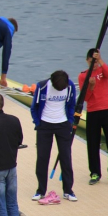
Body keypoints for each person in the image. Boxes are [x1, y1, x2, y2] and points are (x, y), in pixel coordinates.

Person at [30, 70, 77, 202]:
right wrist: (38, 123)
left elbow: (72, 104)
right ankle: (41, 190)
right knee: (42, 158)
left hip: (63, 125)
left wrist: (69, 122)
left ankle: (68, 191)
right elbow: (34, 107)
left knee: (66, 158)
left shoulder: (70, 86)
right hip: (44, 125)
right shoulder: (42, 86)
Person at [78, 49, 108, 186]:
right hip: (93, 112)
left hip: (107, 111)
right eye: (91, 61)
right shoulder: (83, 76)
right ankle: (95, 173)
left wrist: (100, 59)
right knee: (93, 143)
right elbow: (86, 98)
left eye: (96, 61)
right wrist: (91, 87)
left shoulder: (102, 71)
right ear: (87, 60)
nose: (94, 64)